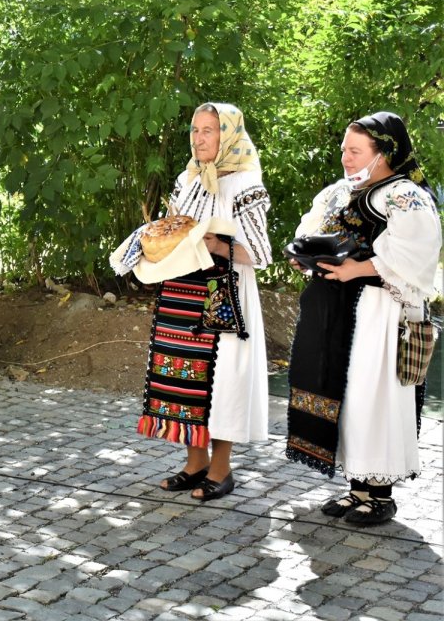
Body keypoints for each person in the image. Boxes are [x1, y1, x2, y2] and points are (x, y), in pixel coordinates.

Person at [285, 112, 440, 525]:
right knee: (347, 395)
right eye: (343, 150)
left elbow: (415, 254)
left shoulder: (405, 195)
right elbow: (312, 230)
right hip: (333, 311)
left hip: (377, 313)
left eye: (355, 151)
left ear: (383, 153)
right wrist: (306, 256)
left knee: (374, 396)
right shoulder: (341, 191)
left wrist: (358, 269)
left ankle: (380, 495)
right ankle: (357, 488)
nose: (345, 158)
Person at [128, 103, 272, 501]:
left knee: (222, 383)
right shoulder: (187, 179)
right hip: (181, 291)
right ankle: (195, 464)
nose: (199, 138)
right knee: (184, 380)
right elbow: (172, 229)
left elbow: (262, 253)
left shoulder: (246, 184)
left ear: (229, 135)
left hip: (221, 295)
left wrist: (218, 245)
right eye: (195, 130)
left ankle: (221, 470)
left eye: (209, 130)